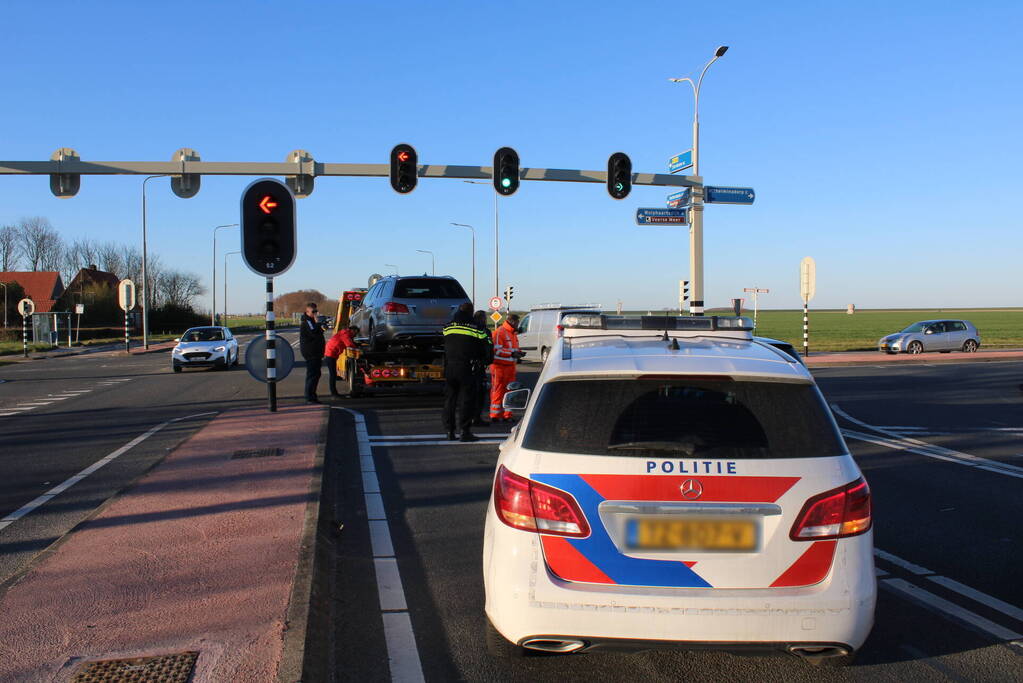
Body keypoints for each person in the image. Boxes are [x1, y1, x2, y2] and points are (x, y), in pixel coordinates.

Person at [442, 303, 489, 441]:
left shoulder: (448, 327)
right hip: (467, 367)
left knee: (450, 400)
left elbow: (446, 344)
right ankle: (464, 431)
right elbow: (484, 348)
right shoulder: (477, 328)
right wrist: (482, 360)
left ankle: (449, 431)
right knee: (466, 400)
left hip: (450, 366)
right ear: (471, 312)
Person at [490, 313, 523, 422]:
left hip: (510, 367)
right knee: (498, 391)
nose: (518, 325)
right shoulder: (500, 332)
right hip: (499, 367)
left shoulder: (512, 334)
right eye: (517, 322)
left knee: (510, 392)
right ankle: (495, 415)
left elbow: (513, 349)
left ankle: (507, 415)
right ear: (512, 322)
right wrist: (512, 354)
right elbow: (497, 350)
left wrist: (518, 355)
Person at [299, 302, 326, 403]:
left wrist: (320, 325)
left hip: (316, 351)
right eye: (313, 311)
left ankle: (312, 395)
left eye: (316, 311)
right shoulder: (307, 321)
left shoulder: (311, 321)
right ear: (307, 312)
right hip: (311, 352)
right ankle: (310, 397)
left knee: (316, 374)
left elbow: (319, 332)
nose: (315, 313)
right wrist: (318, 323)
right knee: (312, 374)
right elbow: (314, 333)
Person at [471, 310, 494, 426]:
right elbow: (489, 347)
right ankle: (476, 418)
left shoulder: (470, 330)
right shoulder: (485, 331)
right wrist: (488, 360)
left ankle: (472, 417)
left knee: (472, 393)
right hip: (479, 365)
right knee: (479, 393)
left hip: (471, 365)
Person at [325, 325, 359, 397]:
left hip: (330, 354)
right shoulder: (345, 334)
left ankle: (333, 392)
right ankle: (333, 393)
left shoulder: (344, 333)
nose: (355, 335)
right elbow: (349, 344)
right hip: (330, 355)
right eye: (355, 333)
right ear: (353, 330)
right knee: (333, 375)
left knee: (333, 374)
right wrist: (358, 348)